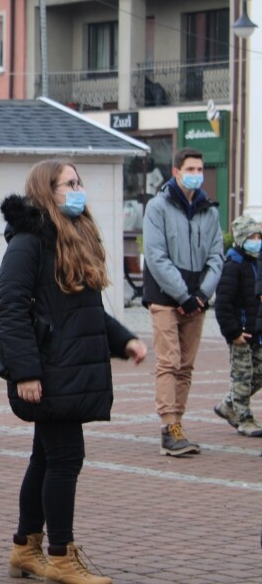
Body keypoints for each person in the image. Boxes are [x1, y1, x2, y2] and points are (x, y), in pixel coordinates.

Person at [0, 160, 146, 584]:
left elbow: (88, 312)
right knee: (65, 458)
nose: (78, 190)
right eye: (70, 183)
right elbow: (10, 309)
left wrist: (125, 340)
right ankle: (61, 556)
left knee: (45, 458)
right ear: (47, 190)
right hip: (48, 372)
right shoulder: (29, 242)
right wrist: (25, 372)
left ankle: (26, 547)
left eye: (79, 182)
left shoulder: (75, 237)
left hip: (66, 371)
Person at [142, 147, 223, 456]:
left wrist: (202, 294)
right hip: (165, 297)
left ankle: (179, 425)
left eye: (199, 169)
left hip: (197, 299)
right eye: (190, 169)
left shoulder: (209, 211)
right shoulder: (157, 207)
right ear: (176, 172)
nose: (196, 175)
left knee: (186, 365)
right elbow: (156, 256)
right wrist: (183, 296)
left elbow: (216, 256)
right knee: (169, 361)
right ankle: (169, 426)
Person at [213, 215, 262, 437]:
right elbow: (223, 304)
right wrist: (233, 332)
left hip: (257, 331)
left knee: (258, 374)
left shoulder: (257, 262)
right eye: (252, 236)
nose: (256, 240)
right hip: (240, 333)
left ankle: (228, 404)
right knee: (242, 377)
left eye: (259, 236)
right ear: (241, 238)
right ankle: (244, 419)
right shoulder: (233, 265)